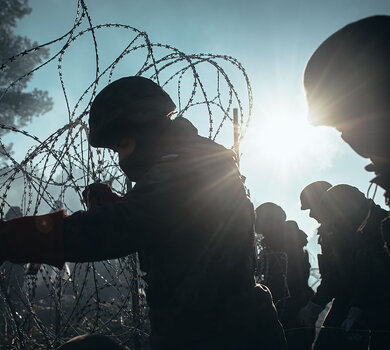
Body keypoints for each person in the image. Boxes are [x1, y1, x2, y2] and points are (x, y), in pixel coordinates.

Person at [0, 76, 287, 350]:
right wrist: (119, 203)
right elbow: (175, 224)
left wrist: (11, 237)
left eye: (122, 145)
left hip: (222, 337)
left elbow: (119, 226)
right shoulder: (197, 161)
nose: (122, 159)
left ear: (146, 130)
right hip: (219, 331)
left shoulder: (191, 168)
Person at [309, 185, 390, 350]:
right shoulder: (354, 228)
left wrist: (356, 308)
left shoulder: (381, 228)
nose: (311, 214)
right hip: (358, 304)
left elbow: (374, 274)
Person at [256, 202, 313, 350]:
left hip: (290, 316)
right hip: (291, 311)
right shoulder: (281, 243)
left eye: (258, 218)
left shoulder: (283, 246)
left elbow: (286, 284)